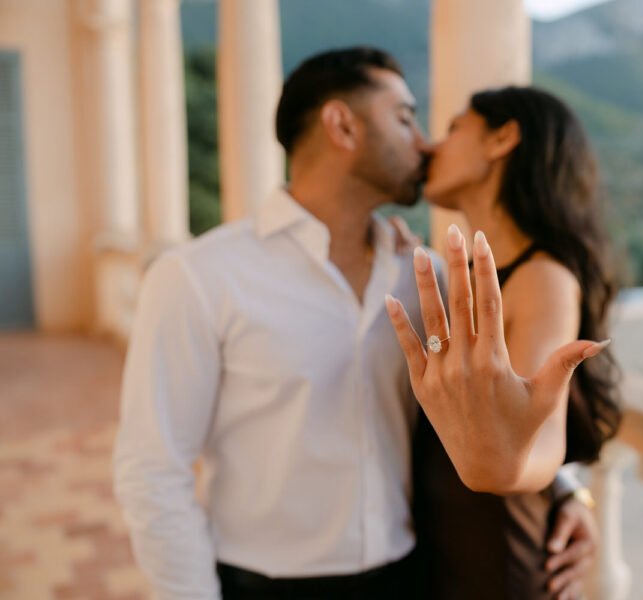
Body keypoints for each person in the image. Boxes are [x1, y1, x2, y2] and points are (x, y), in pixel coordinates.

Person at [114, 47, 598, 600]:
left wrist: (566, 491)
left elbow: (488, 401)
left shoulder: (424, 276)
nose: (424, 143)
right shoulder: (199, 276)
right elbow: (153, 471)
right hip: (264, 587)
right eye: (405, 118)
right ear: (342, 125)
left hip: (411, 578)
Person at [387, 86, 622, 598]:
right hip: (452, 552)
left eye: (453, 129)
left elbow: (539, 440)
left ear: (502, 139)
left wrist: (505, 468)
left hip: (498, 562)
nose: (430, 147)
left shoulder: (543, 278)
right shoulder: (474, 276)